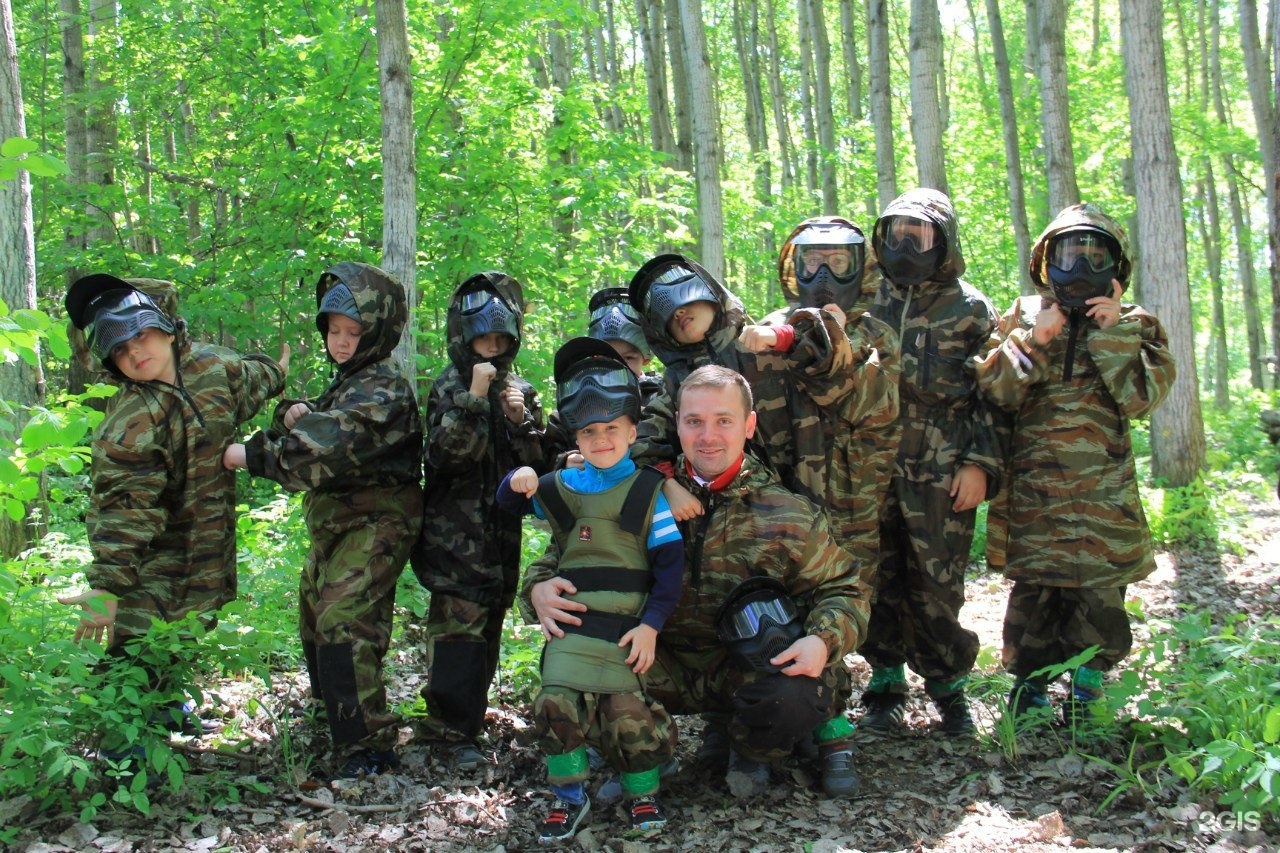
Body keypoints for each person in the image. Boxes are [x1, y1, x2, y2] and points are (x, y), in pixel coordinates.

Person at [525, 366, 870, 801]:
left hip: (747, 665)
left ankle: (750, 748)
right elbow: (565, 556)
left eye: (724, 421)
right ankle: (647, 750)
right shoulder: (637, 495)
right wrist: (537, 588)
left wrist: (822, 640)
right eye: (694, 421)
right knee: (573, 662)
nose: (708, 436)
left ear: (749, 426)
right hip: (656, 657)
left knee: (798, 688)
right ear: (678, 425)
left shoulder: (789, 513)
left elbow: (845, 589)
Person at [59, 273, 286, 742]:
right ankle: (126, 755)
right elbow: (124, 514)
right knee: (138, 641)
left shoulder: (211, 366)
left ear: (167, 328)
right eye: (120, 350)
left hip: (204, 540)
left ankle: (166, 711)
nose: (135, 353)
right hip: (151, 555)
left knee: (186, 629)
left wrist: (277, 370)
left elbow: (251, 379)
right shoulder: (131, 422)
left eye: (140, 335)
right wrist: (106, 589)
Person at [973, 204, 1175, 723]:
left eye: (1094, 254)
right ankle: (1032, 687)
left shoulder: (1137, 324)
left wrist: (1112, 336)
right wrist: (1034, 341)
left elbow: (1141, 401)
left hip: (1102, 497)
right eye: (1068, 254)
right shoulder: (1022, 316)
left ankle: (1088, 685)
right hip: (1035, 493)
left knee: (1100, 595)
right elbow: (994, 390)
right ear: (1047, 260)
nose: (1080, 266)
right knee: (1035, 596)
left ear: (1115, 266)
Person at [222, 263, 423, 777]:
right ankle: (337, 720)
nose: (341, 341)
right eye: (333, 330)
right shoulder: (353, 382)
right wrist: (294, 410)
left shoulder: (384, 387)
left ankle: (369, 746)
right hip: (336, 524)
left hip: (378, 522)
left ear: (377, 332)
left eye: (353, 332)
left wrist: (251, 454)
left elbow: (323, 449)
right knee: (315, 615)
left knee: (344, 618)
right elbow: (322, 422)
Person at [497, 337, 684, 843]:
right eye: (590, 431)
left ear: (631, 431)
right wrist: (517, 478)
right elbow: (511, 504)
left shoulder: (649, 491)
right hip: (571, 627)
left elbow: (670, 568)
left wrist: (651, 626)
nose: (601, 440)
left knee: (627, 717)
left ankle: (642, 794)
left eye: (612, 430)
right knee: (555, 705)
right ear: (576, 434)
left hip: (627, 631)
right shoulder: (563, 487)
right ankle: (568, 798)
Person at [860, 188, 1007, 736]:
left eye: (918, 236)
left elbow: (992, 395)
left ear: (942, 241)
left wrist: (980, 464)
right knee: (878, 576)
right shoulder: (863, 295)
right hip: (870, 469)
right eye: (895, 234)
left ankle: (948, 688)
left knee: (938, 585)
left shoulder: (968, 308)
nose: (905, 245)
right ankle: (885, 683)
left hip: (942, 473)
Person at [409, 271, 545, 770]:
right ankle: (446, 732)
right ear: (463, 336)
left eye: (500, 338)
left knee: (487, 628)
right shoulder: (448, 387)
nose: (490, 346)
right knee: (456, 633)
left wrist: (521, 422)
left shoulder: (521, 391)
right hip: (454, 537)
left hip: (500, 538)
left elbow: (540, 466)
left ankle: (469, 719)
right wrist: (472, 398)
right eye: (482, 337)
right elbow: (446, 457)